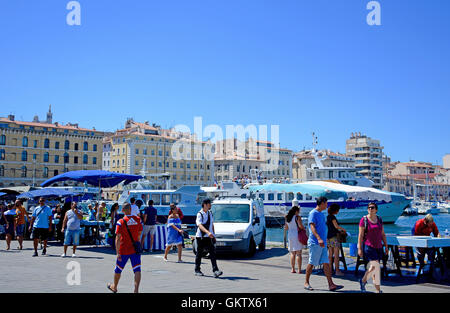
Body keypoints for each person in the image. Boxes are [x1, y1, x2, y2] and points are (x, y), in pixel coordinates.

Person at [304, 196, 343, 291]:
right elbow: (312, 227)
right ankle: (306, 282)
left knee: (326, 263)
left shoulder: (321, 214)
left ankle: (331, 284)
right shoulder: (313, 213)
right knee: (312, 262)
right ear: (321, 203)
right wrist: (319, 238)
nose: (327, 205)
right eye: (326, 203)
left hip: (323, 243)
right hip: (315, 243)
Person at [107, 203, 143, 293]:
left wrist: (117, 252)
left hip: (123, 249)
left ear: (122, 210)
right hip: (135, 249)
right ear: (130, 209)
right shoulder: (138, 219)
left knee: (118, 269)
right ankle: (136, 290)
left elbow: (118, 238)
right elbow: (139, 234)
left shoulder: (120, 222)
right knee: (137, 269)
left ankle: (114, 287)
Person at [358, 202, 388, 293]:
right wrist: (359, 248)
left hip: (379, 246)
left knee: (375, 268)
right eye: (369, 207)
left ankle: (377, 289)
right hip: (369, 246)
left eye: (372, 207)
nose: (370, 209)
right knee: (374, 266)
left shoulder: (379, 219)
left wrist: (386, 246)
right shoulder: (364, 220)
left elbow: (382, 234)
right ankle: (363, 280)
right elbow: (360, 235)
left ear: (376, 209)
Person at [194, 199, 223, 278]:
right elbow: (199, 225)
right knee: (199, 253)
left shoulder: (210, 213)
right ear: (205, 204)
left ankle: (215, 270)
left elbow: (211, 224)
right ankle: (197, 270)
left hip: (209, 237)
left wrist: (213, 234)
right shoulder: (200, 214)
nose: (211, 205)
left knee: (212, 253)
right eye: (210, 204)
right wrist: (207, 232)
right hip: (201, 237)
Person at [327, 203, 347, 276]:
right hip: (334, 237)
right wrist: (343, 229)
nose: (338, 211)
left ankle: (329, 270)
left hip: (329, 237)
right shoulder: (333, 217)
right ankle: (337, 271)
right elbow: (336, 226)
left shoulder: (328, 217)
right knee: (336, 255)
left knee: (330, 255)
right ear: (335, 210)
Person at [284, 206, 305, 273]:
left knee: (292, 253)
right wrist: (304, 228)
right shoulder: (297, 217)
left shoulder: (287, 217)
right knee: (299, 253)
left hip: (290, 235)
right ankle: (299, 269)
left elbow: (286, 228)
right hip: (297, 235)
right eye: (298, 211)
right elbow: (300, 226)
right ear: (296, 211)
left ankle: (293, 269)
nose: (299, 213)